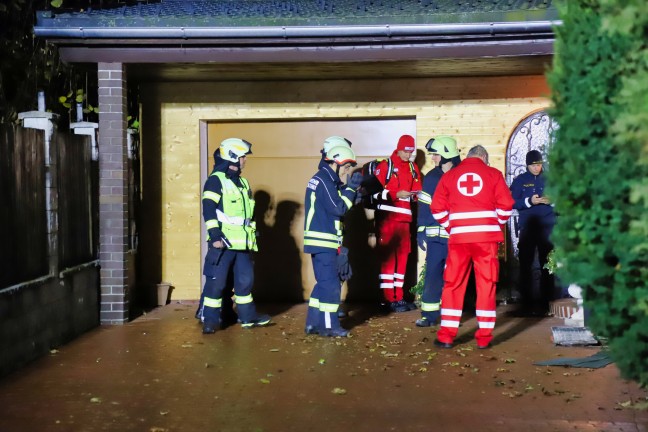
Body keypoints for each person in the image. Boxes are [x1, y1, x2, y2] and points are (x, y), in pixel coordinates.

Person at [431, 145, 514, 349]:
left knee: (453, 284)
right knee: (486, 284)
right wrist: (494, 224)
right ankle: (484, 338)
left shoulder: (450, 176)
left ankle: (446, 336)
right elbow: (506, 206)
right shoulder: (493, 174)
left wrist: (452, 226)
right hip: (485, 240)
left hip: (459, 240)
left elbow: (437, 207)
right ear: (484, 157)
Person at [199, 138, 271, 334]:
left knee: (245, 282)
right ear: (232, 157)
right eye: (242, 157)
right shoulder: (215, 180)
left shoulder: (243, 182)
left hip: (243, 244)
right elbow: (208, 209)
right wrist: (215, 235)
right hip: (222, 243)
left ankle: (248, 317)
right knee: (217, 284)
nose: (245, 160)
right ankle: (211, 321)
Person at [303, 140, 361, 337]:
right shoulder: (324, 181)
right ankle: (329, 327)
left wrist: (350, 194)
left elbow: (336, 205)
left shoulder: (327, 180)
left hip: (325, 242)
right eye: (345, 167)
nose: (346, 171)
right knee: (330, 286)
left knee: (323, 283)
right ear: (334, 163)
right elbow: (338, 208)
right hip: (324, 242)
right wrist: (351, 190)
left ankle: (312, 322)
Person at [372, 134, 422, 312]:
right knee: (388, 260)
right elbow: (373, 194)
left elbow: (417, 190)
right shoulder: (385, 167)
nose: (409, 155)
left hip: (405, 221)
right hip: (388, 219)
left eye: (411, 152)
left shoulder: (413, 167)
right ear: (399, 148)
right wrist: (395, 194)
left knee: (402, 259)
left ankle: (399, 298)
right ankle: (388, 299)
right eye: (406, 151)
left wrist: (416, 195)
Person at [415, 136, 461, 327]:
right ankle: (429, 316)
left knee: (455, 277)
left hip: (456, 237)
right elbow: (424, 206)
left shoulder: (461, 175)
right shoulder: (432, 177)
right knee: (432, 275)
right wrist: (420, 229)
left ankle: (452, 316)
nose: (433, 158)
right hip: (435, 238)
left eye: (436, 155)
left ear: (447, 155)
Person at [510, 149, 556, 316]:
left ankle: (546, 303)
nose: (537, 168)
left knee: (547, 265)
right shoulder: (520, 180)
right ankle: (526, 303)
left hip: (547, 227)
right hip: (528, 228)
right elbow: (512, 202)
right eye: (534, 165)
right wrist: (529, 201)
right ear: (527, 165)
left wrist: (552, 201)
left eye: (539, 164)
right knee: (525, 265)